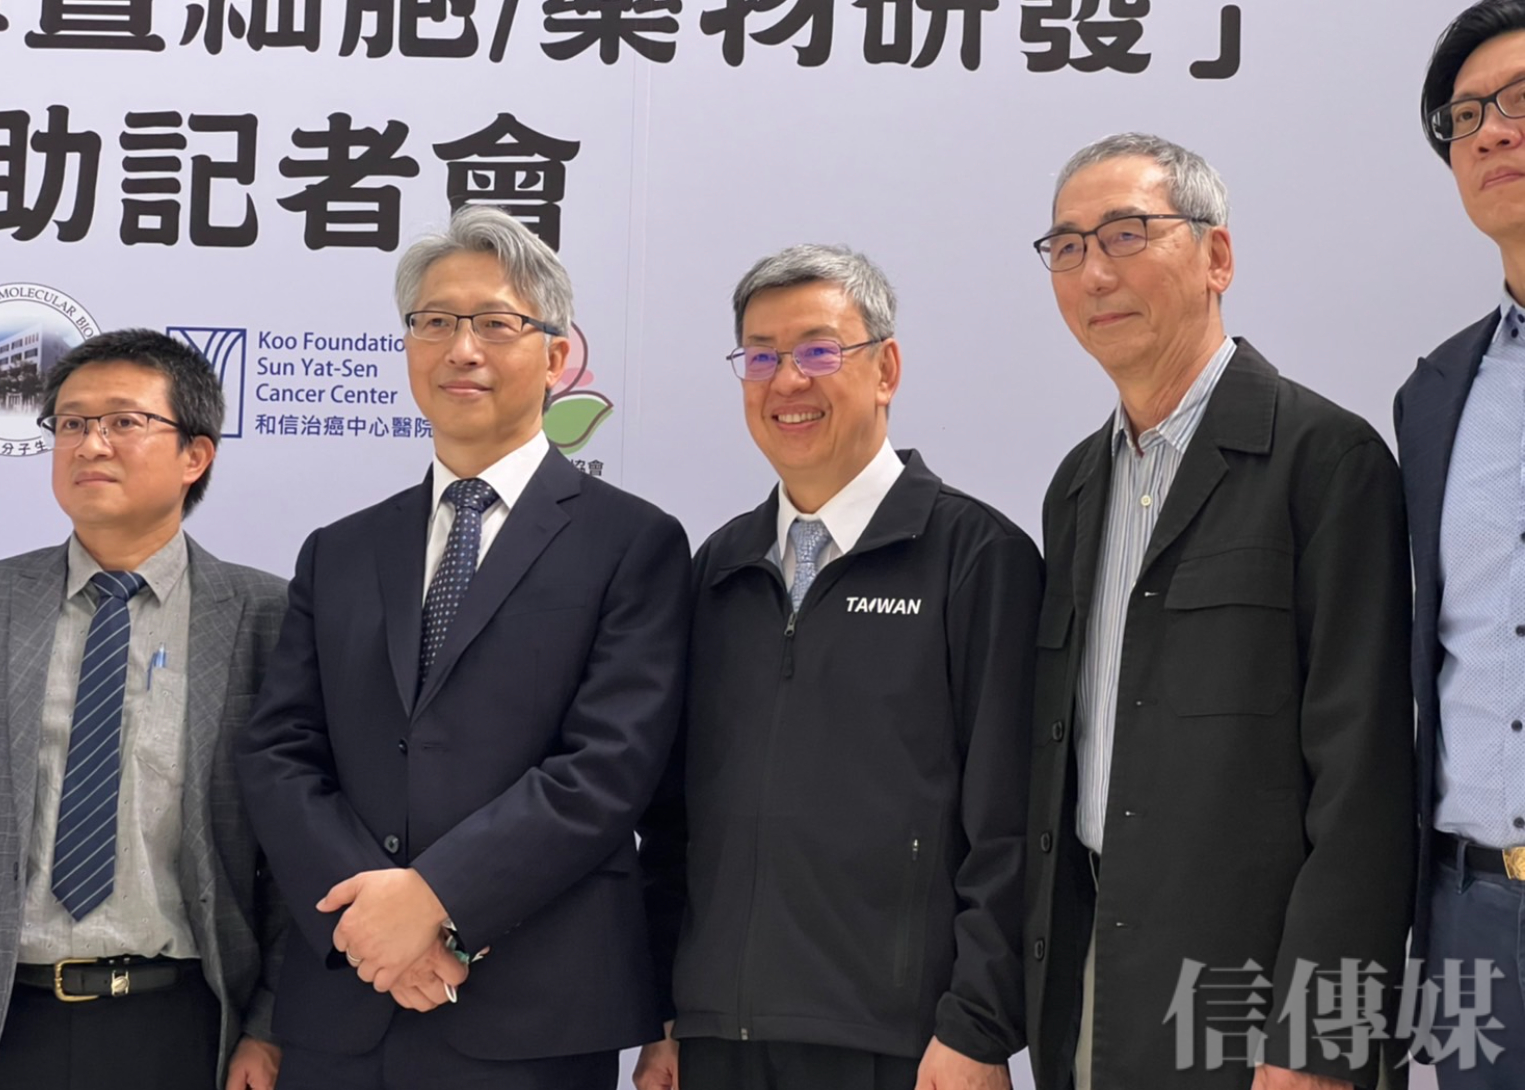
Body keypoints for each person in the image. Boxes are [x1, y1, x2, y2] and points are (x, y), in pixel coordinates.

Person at [238, 204, 691, 1090]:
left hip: (534, 1008)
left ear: (556, 357)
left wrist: (437, 902)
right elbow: (279, 751)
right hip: (347, 1001)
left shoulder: (633, 543)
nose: (462, 349)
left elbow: (607, 769)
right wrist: (372, 923)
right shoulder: (341, 549)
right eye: (435, 322)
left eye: (495, 323)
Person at [1024, 133, 1415, 1090]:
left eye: (1126, 234)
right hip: (1100, 972)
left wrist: (1319, 1040)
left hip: (1258, 992)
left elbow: (1365, 781)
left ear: (1217, 256)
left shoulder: (1325, 459)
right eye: (1067, 247)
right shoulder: (1075, 486)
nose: (1094, 272)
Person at [635, 244, 1041, 1090]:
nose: (787, 381)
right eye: (761, 357)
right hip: (717, 1039)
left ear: (885, 368)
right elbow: (674, 823)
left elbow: (1011, 823)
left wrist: (977, 1026)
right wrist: (666, 1016)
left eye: (819, 351)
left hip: (904, 1046)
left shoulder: (976, 557)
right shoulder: (719, 568)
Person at [0, 328, 286, 1089]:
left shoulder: (269, 618)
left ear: (196, 455)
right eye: (71, 422)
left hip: (183, 1022)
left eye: (124, 421)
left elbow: (300, 850)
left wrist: (270, 1025)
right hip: (9, 1019)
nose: (90, 444)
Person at [1396, 0, 1525, 1088]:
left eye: (1521, 99)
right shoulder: (1437, 393)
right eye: (1467, 115)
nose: (1491, 132)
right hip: (1474, 911)